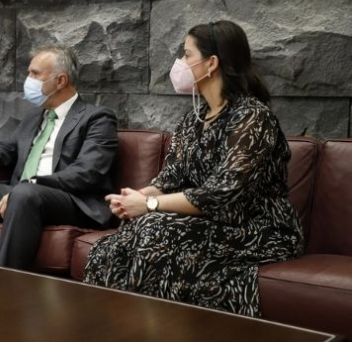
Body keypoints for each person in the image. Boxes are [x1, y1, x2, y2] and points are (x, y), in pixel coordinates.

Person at [82, 20, 303, 317]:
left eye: (187, 55)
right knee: (111, 246)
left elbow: (221, 194)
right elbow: (170, 178)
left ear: (211, 63)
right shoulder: (193, 119)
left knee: (153, 233)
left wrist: (148, 204)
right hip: (211, 223)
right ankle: (104, 326)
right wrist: (135, 198)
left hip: (258, 227)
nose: (180, 63)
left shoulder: (253, 117)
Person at [0, 44, 119, 270]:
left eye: (34, 74)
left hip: (69, 200)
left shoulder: (97, 118)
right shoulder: (35, 117)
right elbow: (1, 155)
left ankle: (6, 286)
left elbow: (87, 172)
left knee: (24, 193)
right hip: (21, 196)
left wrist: (31, 183)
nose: (28, 80)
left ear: (60, 81)